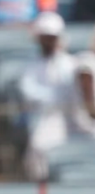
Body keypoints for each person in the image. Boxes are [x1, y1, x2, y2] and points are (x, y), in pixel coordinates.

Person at [18, 13, 76, 180]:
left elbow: (69, 91)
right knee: (38, 146)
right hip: (40, 119)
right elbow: (28, 92)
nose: (48, 41)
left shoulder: (69, 63)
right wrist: (51, 99)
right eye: (45, 37)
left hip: (69, 120)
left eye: (52, 37)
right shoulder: (31, 66)